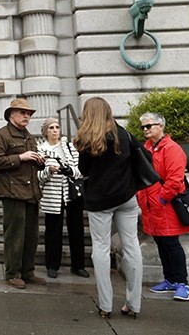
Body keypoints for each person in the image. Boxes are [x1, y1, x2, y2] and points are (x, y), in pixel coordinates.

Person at [74, 97, 142, 319]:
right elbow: (144, 158)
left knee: (100, 249)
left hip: (101, 200)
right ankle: (133, 304)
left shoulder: (87, 138)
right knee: (132, 246)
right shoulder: (125, 134)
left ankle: (105, 305)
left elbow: (83, 170)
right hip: (127, 197)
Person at [0, 98, 47, 289]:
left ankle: (27, 272)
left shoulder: (28, 136)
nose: (26, 116)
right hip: (12, 191)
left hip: (30, 190)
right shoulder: (2, 135)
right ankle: (13, 273)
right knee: (15, 235)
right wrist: (20, 157)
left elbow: (31, 160)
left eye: (29, 114)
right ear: (11, 114)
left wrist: (40, 161)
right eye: (22, 113)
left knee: (31, 235)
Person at [136, 112, 189, 302]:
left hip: (164, 205)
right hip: (151, 205)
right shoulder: (146, 148)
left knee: (171, 243)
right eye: (143, 127)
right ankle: (170, 279)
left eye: (149, 126)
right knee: (161, 243)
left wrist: (161, 199)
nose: (145, 130)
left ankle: (182, 283)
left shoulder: (172, 149)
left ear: (161, 126)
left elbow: (175, 180)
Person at [37, 117, 88, 279]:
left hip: (72, 195)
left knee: (77, 230)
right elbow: (37, 176)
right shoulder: (40, 150)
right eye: (51, 127)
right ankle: (52, 266)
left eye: (57, 127)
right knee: (53, 232)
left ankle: (78, 265)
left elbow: (81, 171)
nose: (54, 130)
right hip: (52, 195)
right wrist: (48, 171)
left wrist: (69, 170)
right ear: (45, 131)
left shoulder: (70, 147)